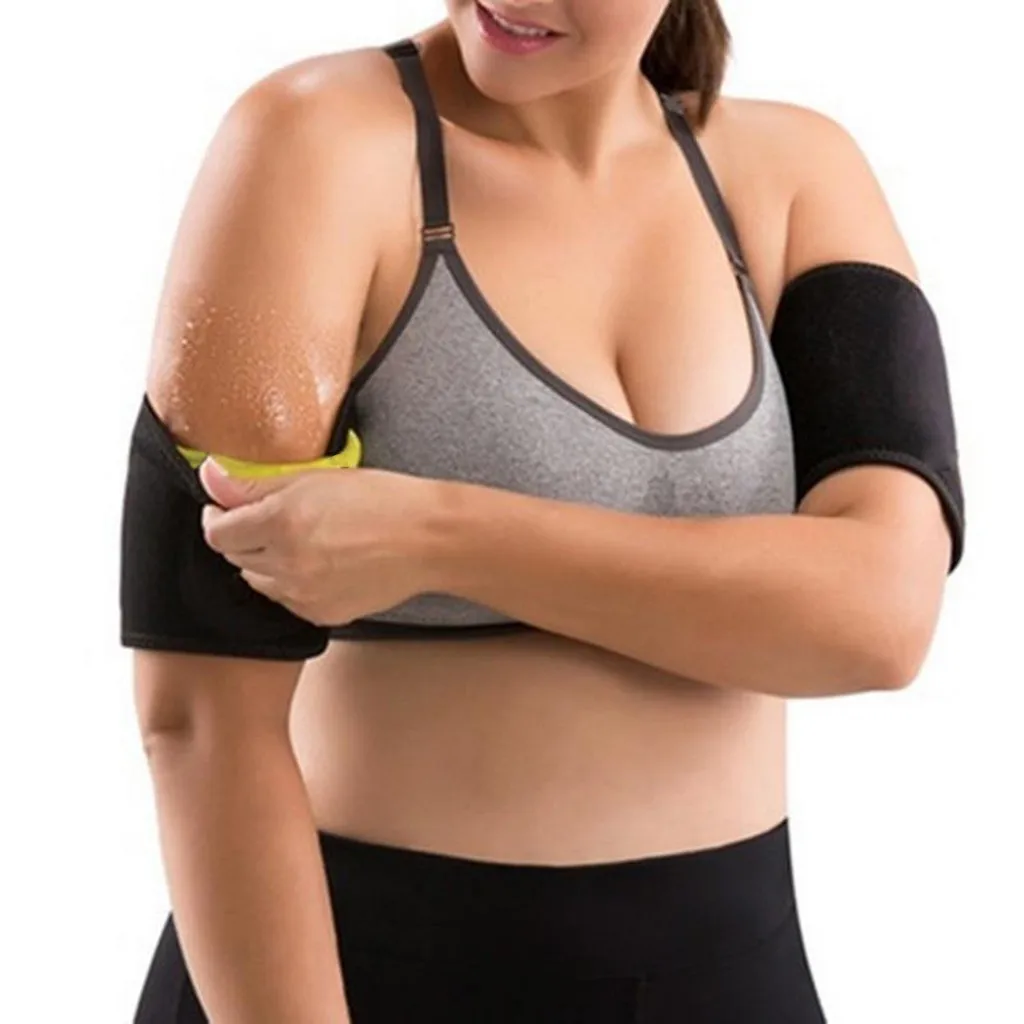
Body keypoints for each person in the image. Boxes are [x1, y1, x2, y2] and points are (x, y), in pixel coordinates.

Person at [122, 2, 965, 1021]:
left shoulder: (793, 176)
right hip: (354, 972)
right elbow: (199, 721)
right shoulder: (314, 145)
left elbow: (881, 615)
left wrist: (442, 536)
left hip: (733, 974)